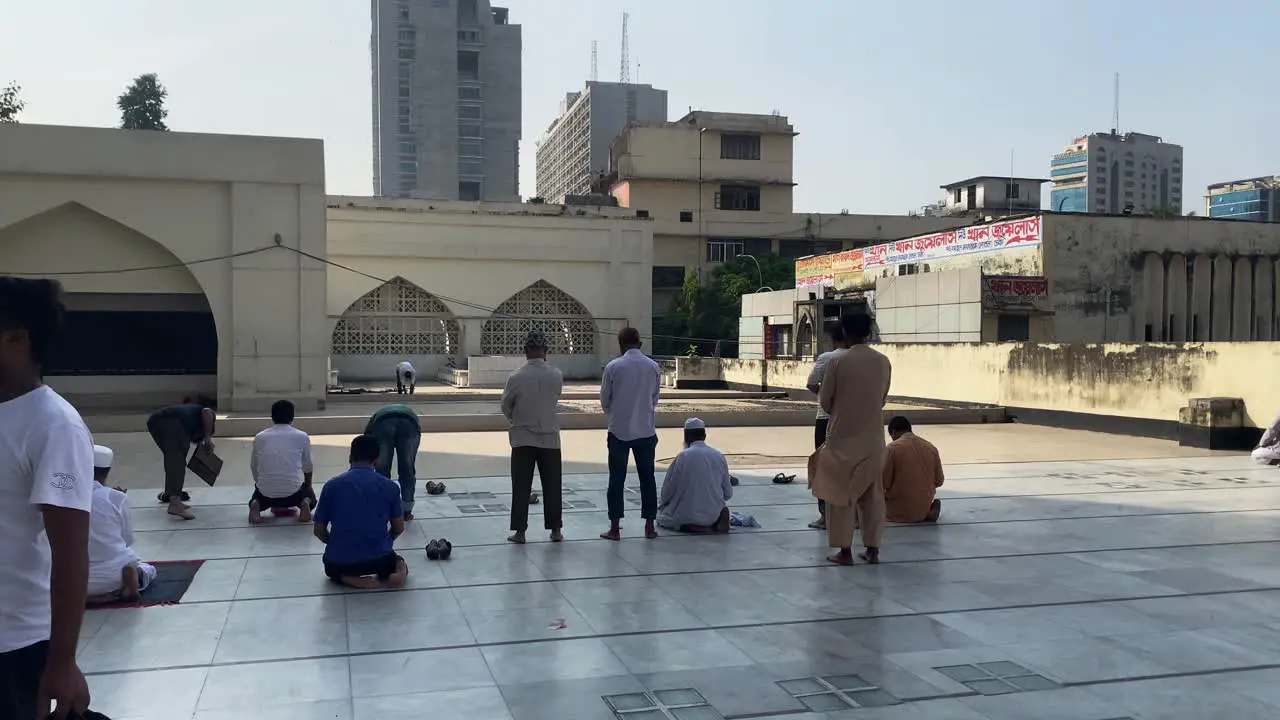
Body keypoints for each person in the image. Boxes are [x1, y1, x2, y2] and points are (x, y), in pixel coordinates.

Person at [0, 277, 94, 719]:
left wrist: (62, 663)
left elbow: (71, 554)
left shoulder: (51, 424)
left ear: (17, 339)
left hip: (14, 647)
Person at [809, 313, 891, 566]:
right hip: (874, 437)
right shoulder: (883, 361)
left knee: (840, 496)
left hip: (842, 438)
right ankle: (873, 550)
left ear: (845, 333)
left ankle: (845, 552)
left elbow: (825, 400)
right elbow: (882, 398)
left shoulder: (838, 362)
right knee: (873, 496)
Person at [313, 434, 409, 589]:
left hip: (341, 562)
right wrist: (385, 542)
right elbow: (399, 528)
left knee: (331, 568)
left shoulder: (332, 486)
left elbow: (318, 530)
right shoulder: (390, 487)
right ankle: (399, 573)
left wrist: (335, 542)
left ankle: (350, 579)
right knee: (398, 560)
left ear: (350, 457)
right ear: (376, 459)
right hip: (380, 560)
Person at [501, 330, 565, 544]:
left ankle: (520, 533)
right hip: (550, 438)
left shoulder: (516, 377)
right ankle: (555, 530)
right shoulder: (556, 375)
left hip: (523, 438)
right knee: (552, 485)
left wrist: (516, 418)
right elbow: (555, 397)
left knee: (521, 487)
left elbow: (505, 406)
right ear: (545, 351)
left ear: (525, 351)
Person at [599, 326, 661, 541]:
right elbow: (654, 399)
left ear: (620, 344)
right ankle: (650, 526)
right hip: (645, 431)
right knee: (648, 479)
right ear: (640, 343)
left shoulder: (614, 366)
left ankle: (615, 528)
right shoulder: (653, 367)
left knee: (616, 480)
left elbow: (605, 401)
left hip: (619, 431)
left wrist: (618, 414)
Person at [86, 446, 157, 605]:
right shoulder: (116, 498)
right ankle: (130, 583)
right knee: (145, 568)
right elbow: (127, 539)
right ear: (107, 471)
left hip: (71, 580)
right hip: (114, 576)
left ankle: (87, 598)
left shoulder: (62, 498)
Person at [806, 322, 850, 531]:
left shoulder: (827, 358)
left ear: (832, 339)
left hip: (826, 419)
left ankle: (825, 516)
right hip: (851, 420)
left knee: (823, 468)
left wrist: (828, 398)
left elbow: (811, 384)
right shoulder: (861, 360)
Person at [657, 418, 733, 533]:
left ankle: (693, 524)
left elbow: (668, 490)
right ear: (704, 436)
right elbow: (728, 493)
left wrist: (663, 505)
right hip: (713, 515)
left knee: (661, 516)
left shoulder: (682, 457)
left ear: (686, 437)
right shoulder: (718, 455)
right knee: (723, 508)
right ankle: (713, 521)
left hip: (686, 514)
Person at [248, 400, 316, 524]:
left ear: (272, 417)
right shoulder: (302, 436)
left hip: (266, 495)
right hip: (294, 494)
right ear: (292, 417)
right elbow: (308, 467)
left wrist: (260, 484)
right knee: (308, 494)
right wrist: (308, 486)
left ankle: (256, 504)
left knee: (258, 494)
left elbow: (254, 466)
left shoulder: (260, 437)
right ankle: (305, 502)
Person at [146, 400, 215, 520]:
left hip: (157, 422)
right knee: (177, 461)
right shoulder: (204, 413)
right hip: (170, 422)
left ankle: (170, 494)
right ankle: (175, 503)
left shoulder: (189, 420)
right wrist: (208, 438)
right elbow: (207, 412)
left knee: (173, 459)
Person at [882, 416, 944, 523]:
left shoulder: (892, 449)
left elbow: (884, 483)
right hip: (923, 509)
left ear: (893, 431)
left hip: (895, 512)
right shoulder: (931, 447)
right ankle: (927, 511)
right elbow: (939, 481)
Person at [365, 403, 421, 520]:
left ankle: (382, 508)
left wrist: (373, 460)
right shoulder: (407, 412)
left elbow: (367, 440)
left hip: (383, 422)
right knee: (407, 469)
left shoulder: (374, 420)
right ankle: (406, 511)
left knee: (382, 471)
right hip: (410, 422)